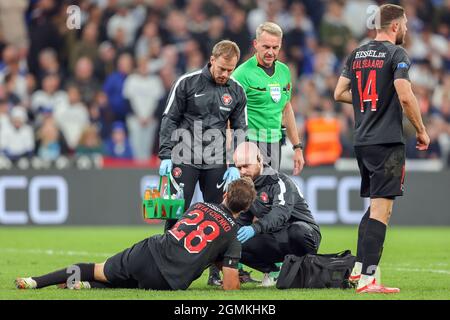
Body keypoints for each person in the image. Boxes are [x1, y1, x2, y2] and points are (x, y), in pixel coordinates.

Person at [334, 4, 430, 294]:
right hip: (386, 141)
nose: (406, 29)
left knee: (374, 207)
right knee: (382, 211)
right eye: (405, 25)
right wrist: (422, 130)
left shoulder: (357, 53)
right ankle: (369, 280)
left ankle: (358, 271)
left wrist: (367, 102)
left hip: (362, 140)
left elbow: (338, 93)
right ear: (395, 26)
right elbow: (405, 94)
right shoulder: (397, 54)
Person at [15, 178, 256, 291]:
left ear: (225, 194)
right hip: (168, 281)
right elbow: (230, 286)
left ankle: (35, 281)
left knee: (98, 269)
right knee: (130, 284)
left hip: (149, 253)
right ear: (246, 208)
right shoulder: (233, 236)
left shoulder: (199, 206)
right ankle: (86, 287)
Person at [158, 40, 247, 231]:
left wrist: (236, 165)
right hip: (184, 157)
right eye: (222, 68)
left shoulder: (237, 91)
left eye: (230, 70)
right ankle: (168, 258)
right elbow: (169, 119)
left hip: (216, 161)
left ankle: (218, 259)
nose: (225, 74)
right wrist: (166, 155)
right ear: (212, 60)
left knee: (220, 215)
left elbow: (240, 130)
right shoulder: (186, 82)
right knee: (176, 213)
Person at [234, 142, 321, 286]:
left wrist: (254, 229)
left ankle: (307, 269)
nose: (242, 171)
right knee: (233, 242)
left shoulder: (280, 182)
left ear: (259, 159)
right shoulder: (246, 187)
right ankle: (274, 271)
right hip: (273, 238)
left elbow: (280, 214)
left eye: (246, 166)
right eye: (239, 167)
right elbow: (243, 220)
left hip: (302, 235)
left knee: (297, 230)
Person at [232, 22, 305, 174]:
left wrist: (297, 147)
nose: (270, 52)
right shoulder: (241, 74)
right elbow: (227, 113)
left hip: (274, 144)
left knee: (268, 196)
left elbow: (286, 109)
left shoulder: (284, 71)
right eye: (266, 47)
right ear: (256, 44)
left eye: (275, 47)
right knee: (247, 195)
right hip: (248, 143)